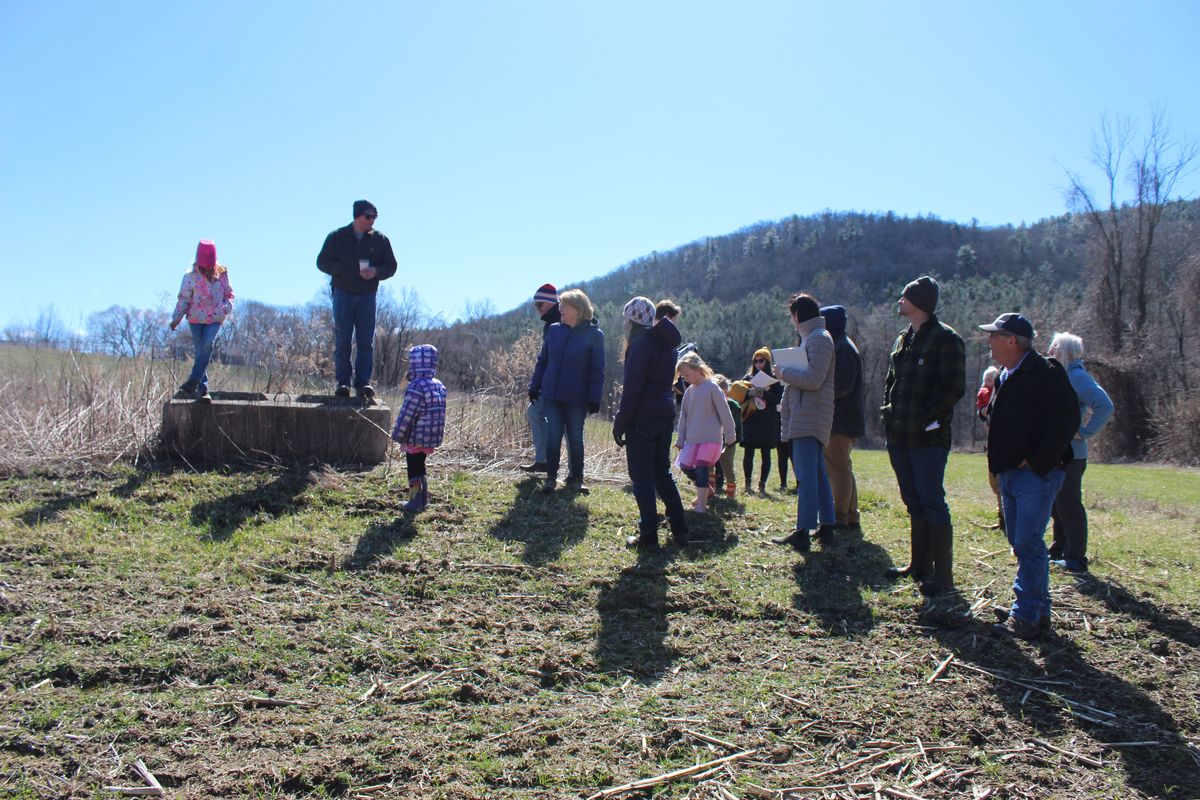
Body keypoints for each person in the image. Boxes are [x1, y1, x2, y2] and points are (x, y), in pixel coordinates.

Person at [981, 313, 1080, 639]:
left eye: (995, 336)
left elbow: (1067, 420)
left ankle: (1023, 617)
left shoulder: (1045, 372)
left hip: (1036, 474)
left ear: (1012, 340)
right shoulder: (1007, 374)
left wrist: (1035, 460)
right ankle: (1038, 613)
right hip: (1010, 472)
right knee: (1021, 542)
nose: (989, 341)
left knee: (1027, 543)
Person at [881, 275, 965, 596]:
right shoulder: (903, 339)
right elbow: (891, 382)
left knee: (932, 500)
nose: (900, 302)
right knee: (912, 499)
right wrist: (887, 413)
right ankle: (919, 566)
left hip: (928, 439)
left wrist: (928, 418)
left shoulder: (946, 339)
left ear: (921, 304)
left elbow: (953, 388)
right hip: (899, 435)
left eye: (905, 297)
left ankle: (943, 575)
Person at [612, 297, 689, 550]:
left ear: (632, 319)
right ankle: (680, 529)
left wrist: (621, 422)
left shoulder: (640, 344)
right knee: (661, 473)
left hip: (643, 417)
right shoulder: (667, 345)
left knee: (641, 477)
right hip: (665, 413)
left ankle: (648, 535)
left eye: (626, 318)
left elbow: (634, 388)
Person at [769, 294, 836, 552]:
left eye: (791, 315)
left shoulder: (819, 338)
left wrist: (783, 372)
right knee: (817, 472)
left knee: (806, 476)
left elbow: (813, 379)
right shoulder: (814, 338)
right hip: (807, 414)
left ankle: (803, 530)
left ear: (797, 315)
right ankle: (826, 525)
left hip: (810, 415)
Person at [1046, 332, 1114, 574]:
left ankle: (1076, 559)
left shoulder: (1076, 376)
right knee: (1057, 505)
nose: (1050, 351)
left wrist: (1084, 432)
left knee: (1070, 506)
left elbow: (1105, 405)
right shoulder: (1064, 375)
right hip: (1059, 453)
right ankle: (1059, 551)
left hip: (1072, 455)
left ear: (1065, 351)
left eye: (1054, 347)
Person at [316, 199, 398, 399]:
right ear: (357, 216)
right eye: (368, 216)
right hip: (342, 292)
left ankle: (363, 384)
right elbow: (321, 262)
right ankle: (342, 382)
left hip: (367, 295)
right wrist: (341, 270)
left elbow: (391, 266)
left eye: (375, 217)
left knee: (365, 341)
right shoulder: (337, 237)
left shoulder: (380, 240)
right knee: (343, 338)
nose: (372, 220)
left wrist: (376, 271)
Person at [529, 289, 605, 494]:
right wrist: (534, 386)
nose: (560, 309)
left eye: (564, 306)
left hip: (577, 399)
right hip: (552, 395)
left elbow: (597, 370)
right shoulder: (554, 330)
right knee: (553, 436)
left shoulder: (594, 335)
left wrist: (593, 398)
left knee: (575, 437)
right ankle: (551, 478)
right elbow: (543, 360)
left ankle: (576, 479)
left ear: (578, 310)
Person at [170, 240, 234, 399]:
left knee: (207, 345)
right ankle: (202, 389)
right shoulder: (190, 278)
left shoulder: (222, 274)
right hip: (196, 319)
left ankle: (193, 382)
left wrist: (224, 309)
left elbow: (230, 295)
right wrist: (176, 318)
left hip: (215, 318)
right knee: (201, 352)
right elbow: (184, 299)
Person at [674, 352, 738, 513]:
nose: (685, 379)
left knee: (702, 468)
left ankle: (702, 505)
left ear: (698, 369)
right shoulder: (689, 392)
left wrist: (730, 435)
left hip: (711, 439)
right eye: (682, 376)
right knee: (685, 465)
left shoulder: (712, 388)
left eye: (687, 375)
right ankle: (707, 489)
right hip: (692, 439)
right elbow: (684, 417)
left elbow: (725, 413)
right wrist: (681, 438)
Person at [821, 305, 865, 531]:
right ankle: (850, 514)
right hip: (842, 418)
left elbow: (842, 386)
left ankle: (840, 517)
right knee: (842, 467)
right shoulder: (842, 346)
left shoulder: (842, 349)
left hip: (840, 420)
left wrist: (818, 388)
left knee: (837, 470)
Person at [390, 344, 448, 513]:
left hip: (415, 436)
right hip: (430, 437)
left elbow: (408, 413)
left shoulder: (416, 386)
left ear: (414, 364)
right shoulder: (438, 385)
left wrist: (398, 433)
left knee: (413, 467)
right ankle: (422, 499)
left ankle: (416, 500)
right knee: (420, 465)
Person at [521, 284, 561, 473]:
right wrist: (536, 385)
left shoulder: (562, 322)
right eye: (536, 305)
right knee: (534, 412)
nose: (538, 308)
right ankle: (543, 461)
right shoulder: (549, 326)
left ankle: (574, 474)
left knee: (570, 428)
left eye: (540, 304)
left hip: (561, 386)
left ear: (552, 302)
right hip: (548, 384)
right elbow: (544, 359)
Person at [740, 347, 784, 495]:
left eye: (762, 361)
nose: (758, 364)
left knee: (766, 454)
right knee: (749, 453)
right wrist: (750, 392)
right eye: (756, 361)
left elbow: (778, 398)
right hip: (751, 419)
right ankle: (747, 484)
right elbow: (739, 395)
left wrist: (765, 393)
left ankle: (762, 485)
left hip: (768, 421)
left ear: (767, 362)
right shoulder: (747, 378)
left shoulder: (775, 380)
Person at [976, 366, 1005, 532]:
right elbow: (981, 412)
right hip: (992, 441)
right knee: (994, 481)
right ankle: (1002, 517)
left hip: (1004, 442)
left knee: (1003, 483)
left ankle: (1006, 520)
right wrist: (983, 412)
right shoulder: (984, 393)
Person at [712, 375, 743, 499]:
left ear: (726, 390)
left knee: (727, 466)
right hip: (713, 440)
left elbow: (735, 426)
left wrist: (731, 440)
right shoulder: (710, 405)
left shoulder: (733, 406)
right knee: (710, 465)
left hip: (728, 443)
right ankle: (711, 490)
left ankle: (731, 493)